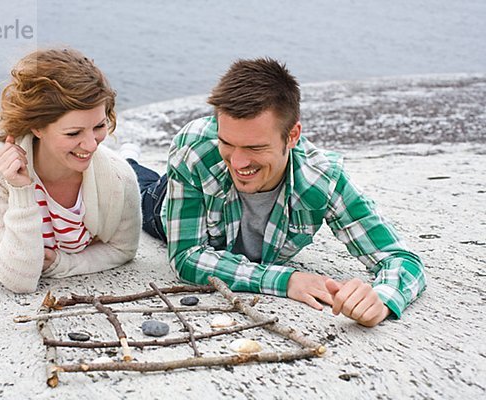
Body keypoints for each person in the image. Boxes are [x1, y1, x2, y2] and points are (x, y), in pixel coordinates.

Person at [125, 58, 426, 327]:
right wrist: (286, 280)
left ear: (292, 135)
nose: (239, 162)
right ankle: (126, 160)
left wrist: (382, 299)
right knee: (134, 187)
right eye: (228, 142)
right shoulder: (196, 148)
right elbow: (187, 257)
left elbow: (400, 258)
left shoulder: (323, 178)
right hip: (167, 205)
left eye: (255, 147)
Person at [0, 48, 141, 293]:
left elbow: (124, 249)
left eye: (99, 126)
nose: (91, 145)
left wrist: (64, 264)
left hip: (11, 163)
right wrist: (21, 191)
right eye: (73, 133)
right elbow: (20, 281)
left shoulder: (118, 176)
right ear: (37, 127)